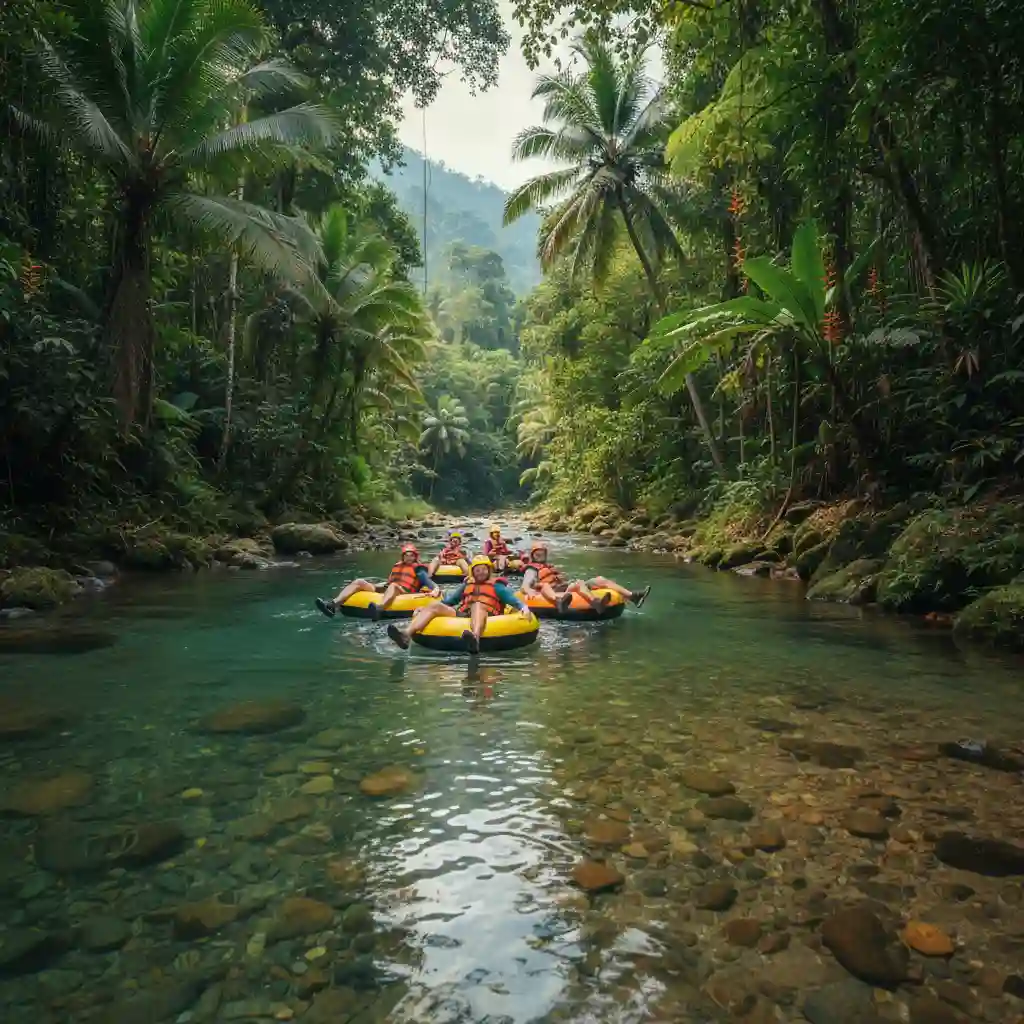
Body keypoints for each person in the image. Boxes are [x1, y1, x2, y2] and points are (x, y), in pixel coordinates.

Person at [386, 556, 530, 654]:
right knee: (434, 606)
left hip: (488, 614)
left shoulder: (498, 587)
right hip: (464, 614)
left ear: (489, 570)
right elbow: (450, 601)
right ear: (473, 572)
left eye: (484, 570)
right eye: (477, 570)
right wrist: (424, 608)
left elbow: (513, 600)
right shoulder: (467, 585)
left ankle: (475, 640)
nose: (481, 573)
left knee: (477, 605)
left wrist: (524, 607)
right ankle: (406, 634)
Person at [521, 540, 651, 614]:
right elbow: (525, 585)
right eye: (537, 554)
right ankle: (595, 603)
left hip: (565, 590)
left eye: (542, 553)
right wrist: (529, 590)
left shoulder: (549, 566)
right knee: (577, 583)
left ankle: (633, 596)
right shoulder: (532, 569)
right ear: (533, 555)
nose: (540, 556)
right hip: (559, 595)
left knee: (600, 579)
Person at [315, 544, 438, 620]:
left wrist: (435, 590)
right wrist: (378, 587)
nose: (409, 557)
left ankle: (380, 609)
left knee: (394, 586)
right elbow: (389, 582)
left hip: (405, 593)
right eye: (406, 555)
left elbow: (431, 584)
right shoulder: (398, 566)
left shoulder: (419, 570)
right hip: (390, 588)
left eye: (411, 555)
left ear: (415, 557)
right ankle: (332, 605)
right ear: (403, 556)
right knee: (359, 582)